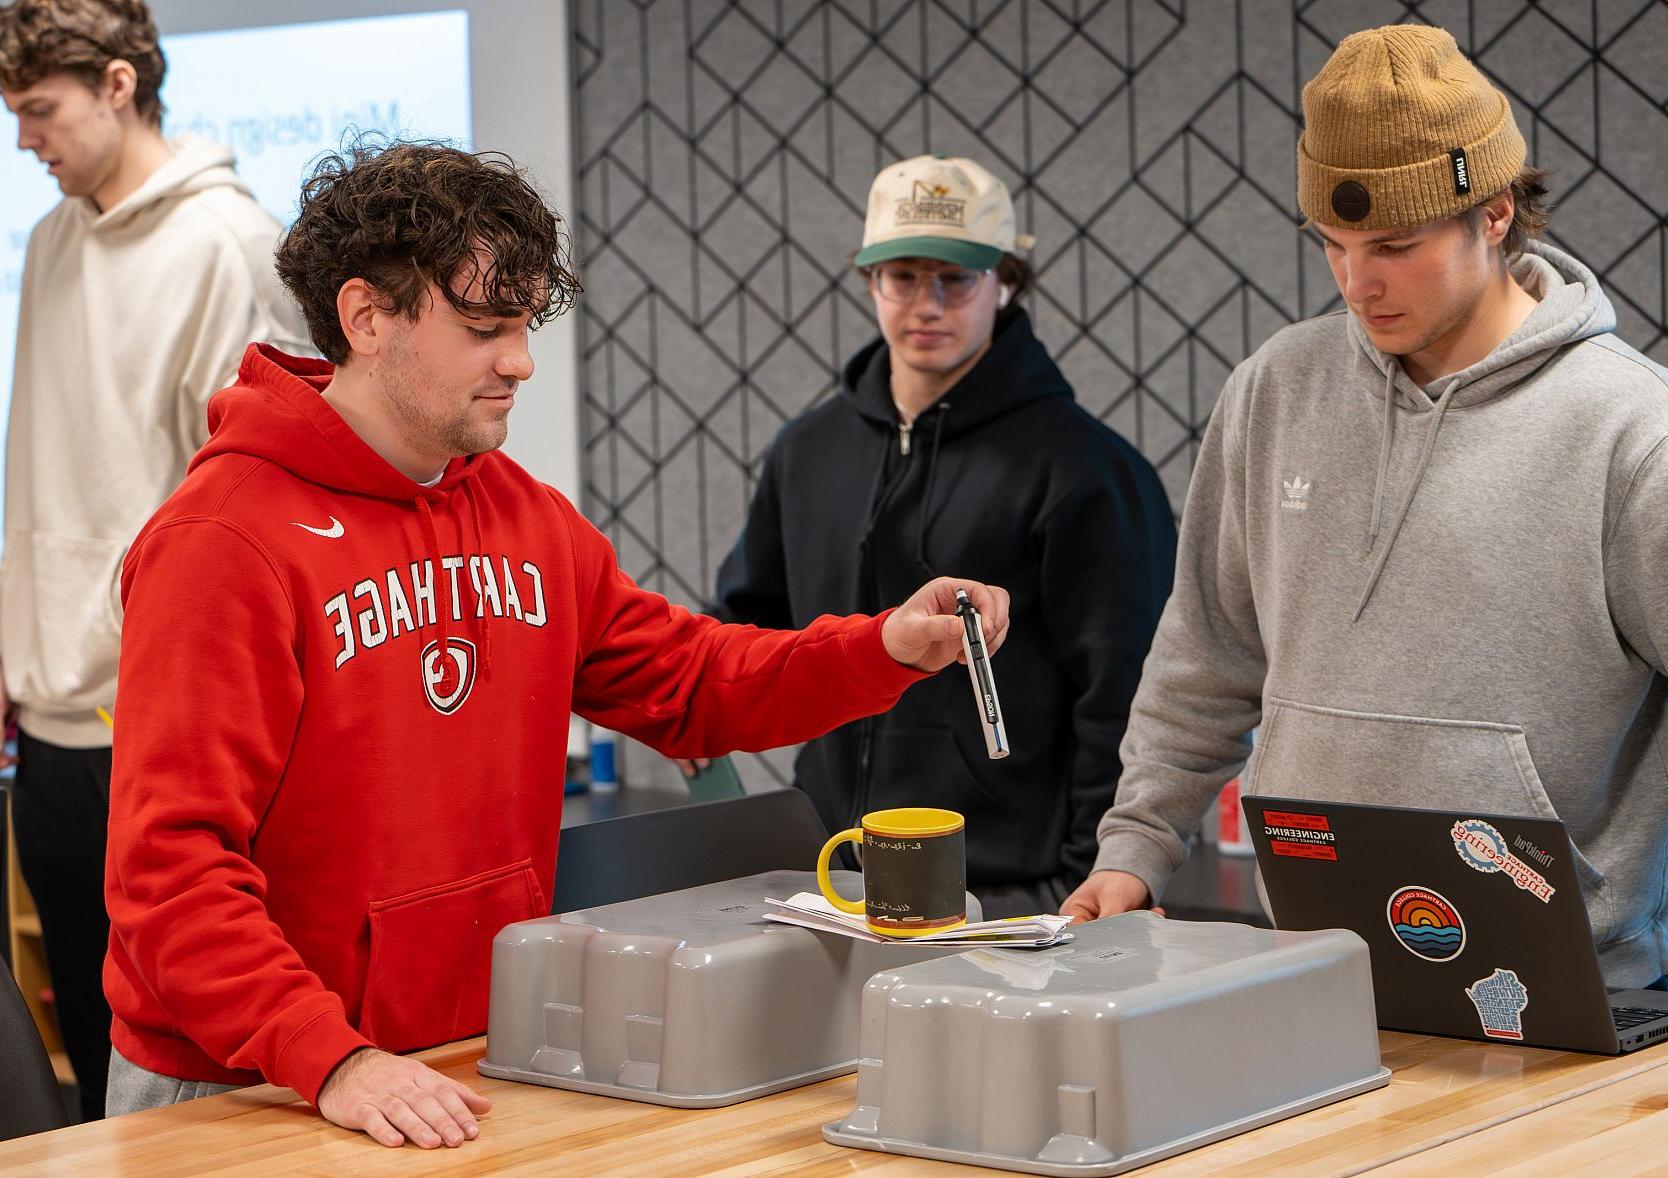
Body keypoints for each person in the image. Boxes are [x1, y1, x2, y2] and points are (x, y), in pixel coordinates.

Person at [100, 140, 1011, 1146]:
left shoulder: (524, 519)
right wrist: (330, 1055)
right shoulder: (219, 541)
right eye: (484, 328)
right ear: (365, 317)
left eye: (523, 326)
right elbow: (170, 868)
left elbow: (695, 683)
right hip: (250, 1080)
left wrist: (883, 644)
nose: (519, 361)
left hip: (454, 1061)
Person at [1063, 24, 1668, 1007]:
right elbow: (1203, 662)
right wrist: (1132, 849)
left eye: (1393, 246)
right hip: (1308, 976)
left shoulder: (1632, 429)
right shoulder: (1272, 392)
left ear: (1495, 213)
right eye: (1333, 247)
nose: (1358, 283)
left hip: (1560, 1001)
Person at [706, 155, 1175, 918]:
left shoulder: (1086, 469)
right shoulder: (807, 451)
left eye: (954, 279)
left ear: (1007, 282)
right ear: (870, 283)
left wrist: (1098, 874)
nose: (926, 304)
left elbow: (1124, 696)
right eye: (902, 276)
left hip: (1013, 890)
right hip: (829, 879)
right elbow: (746, 625)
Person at [0, 0, 307, 1120]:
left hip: (163, 713)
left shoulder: (231, 243)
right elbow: (45, 461)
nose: (25, 138)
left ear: (120, 85)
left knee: (180, 1053)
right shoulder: (47, 239)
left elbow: (255, 493)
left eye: (41, 110)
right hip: (47, 713)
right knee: (83, 1037)